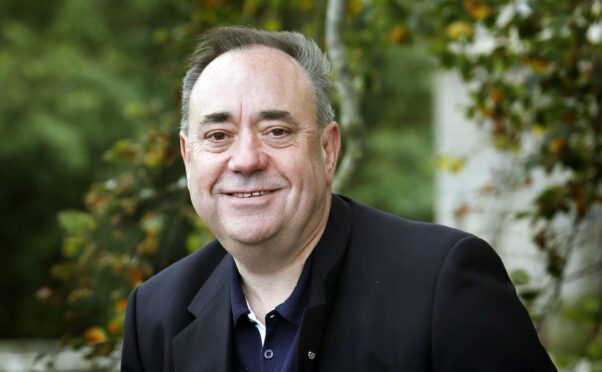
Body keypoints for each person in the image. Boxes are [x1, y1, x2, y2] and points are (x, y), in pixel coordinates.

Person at [121, 26, 557, 372]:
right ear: (187, 156)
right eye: (218, 136)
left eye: (277, 131)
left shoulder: (442, 284)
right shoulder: (156, 315)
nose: (247, 159)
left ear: (327, 151)